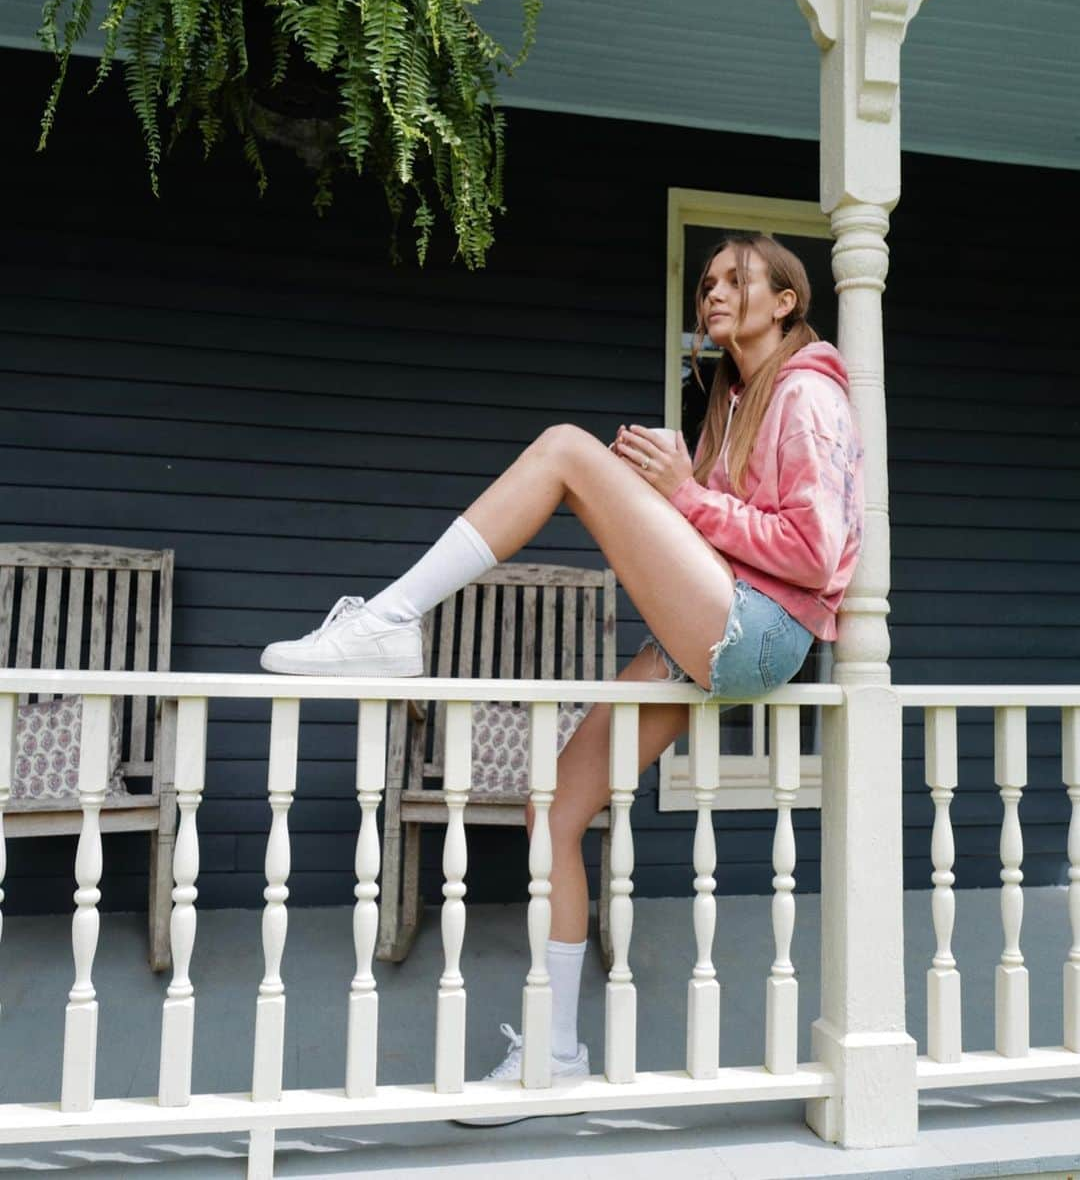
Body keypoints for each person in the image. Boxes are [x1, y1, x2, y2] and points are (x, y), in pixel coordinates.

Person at [261, 231, 864, 1090]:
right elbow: (724, 534)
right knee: (557, 808)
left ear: (785, 302)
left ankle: (391, 621)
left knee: (564, 450)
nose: (714, 293)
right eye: (706, 283)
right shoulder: (730, 397)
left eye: (736, 280)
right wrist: (687, 492)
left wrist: (683, 496)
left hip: (766, 630)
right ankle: (555, 1052)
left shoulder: (807, 394)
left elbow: (811, 552)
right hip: (714, 626)